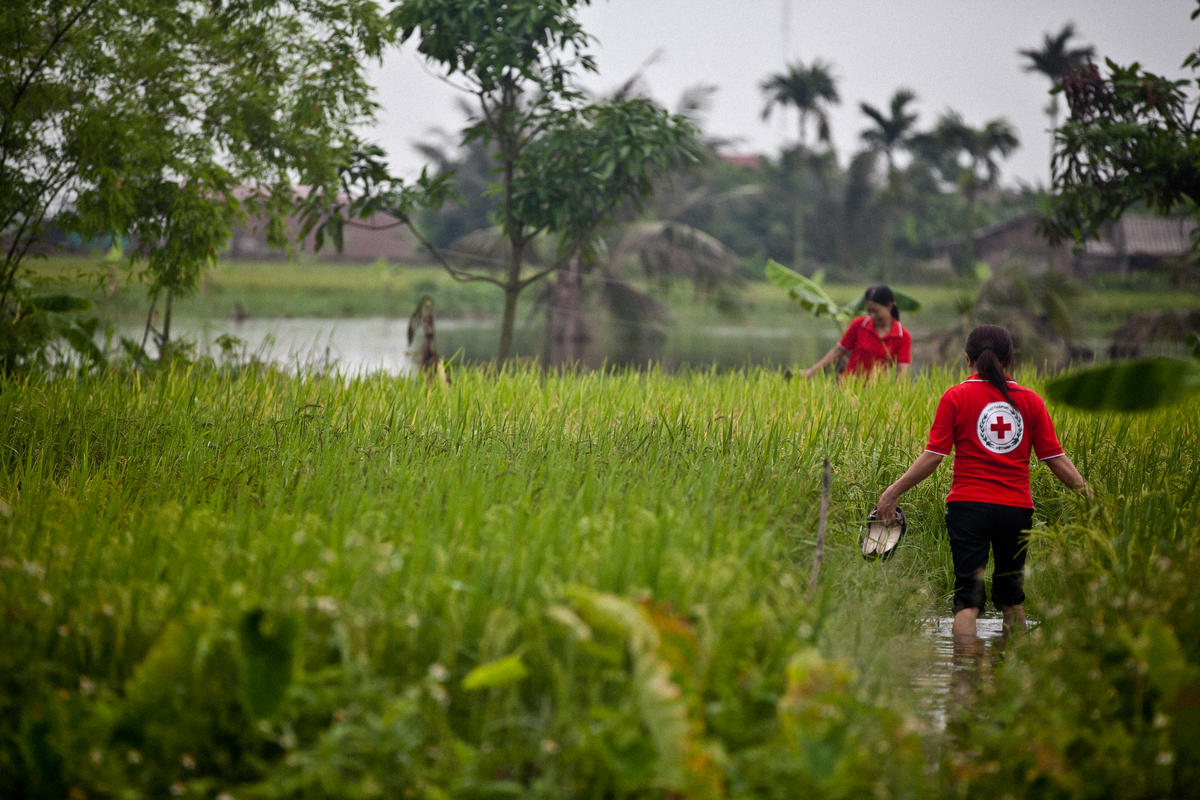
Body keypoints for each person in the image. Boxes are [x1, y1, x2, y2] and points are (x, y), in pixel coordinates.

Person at [873, 325, 1091, 637]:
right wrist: (1088, 494)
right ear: (1010, 358)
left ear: (967, 358)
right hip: (1015, 510)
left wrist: (892, 492)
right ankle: (1011, 672)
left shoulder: (956, 396)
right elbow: (1054, 458)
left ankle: (963, 676)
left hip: (968, 508)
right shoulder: (1030, 400)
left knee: (967, 601)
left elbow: (934, 455)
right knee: (1012, 599)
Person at [803, 285, 911, 379]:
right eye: (869, 311)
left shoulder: (903, 336)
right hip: (848, 387)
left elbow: (901, 371)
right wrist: (811, 372)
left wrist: (896, 397)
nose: (872, 315)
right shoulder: (859, 324)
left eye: (876, 311)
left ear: (890, 306)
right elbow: (837, 352)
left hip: (877, 393)